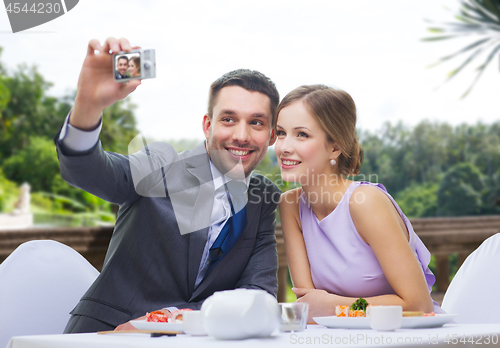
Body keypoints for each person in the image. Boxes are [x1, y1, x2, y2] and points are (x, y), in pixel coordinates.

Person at [55, 37, 281, 333]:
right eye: (228, 119)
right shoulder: (161, 163)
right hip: (109, 335)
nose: (241, 135)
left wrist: (171, 319)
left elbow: (257, 294)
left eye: (256, 123)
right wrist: (88, 103)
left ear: (272, 135)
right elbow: (89, 171)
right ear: (207, 125)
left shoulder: (262, 196)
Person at [274, 85, 443, 321]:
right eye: (281, 133)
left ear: (334, 147)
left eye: (302, 134)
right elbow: (309, 307)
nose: (284, 147)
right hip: (337, 338)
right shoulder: (290, 205)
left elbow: (419, 304)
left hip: (404, 338)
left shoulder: (365, 202)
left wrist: (336, 307)